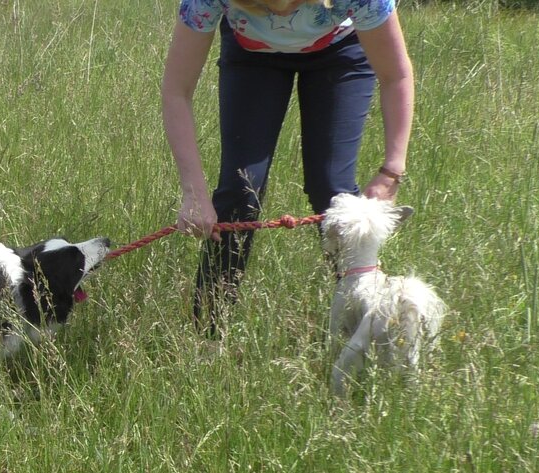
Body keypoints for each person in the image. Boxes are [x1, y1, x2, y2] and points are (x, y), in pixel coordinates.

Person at [161, 0, 414, 333]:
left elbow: (396, 75)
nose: (279, 12)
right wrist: (193, 193)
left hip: (341, 50)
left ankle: (364, 328)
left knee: (332, 189)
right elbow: (176, 90)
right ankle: (207, 338)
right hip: (252, 54)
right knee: (241, 192)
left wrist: (391, 172)